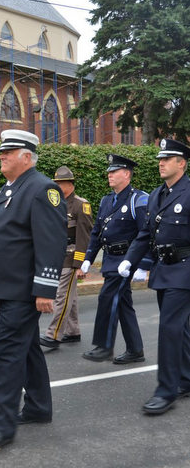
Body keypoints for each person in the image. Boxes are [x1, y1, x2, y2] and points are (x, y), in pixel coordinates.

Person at [0, 129, 67, 448]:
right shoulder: (11, 189)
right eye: (2, 151)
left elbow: (51, 243)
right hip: (8, 287)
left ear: (27, 157)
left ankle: (3, 423)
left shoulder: (42, 189)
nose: (1, 155)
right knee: (27, 348)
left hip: (24, 290)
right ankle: (38, 407)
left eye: (8, 151)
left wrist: (45, 290)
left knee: (8, 352)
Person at [118, 139, 190, 414]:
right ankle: (185, 378)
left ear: (181, 163)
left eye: (167, 159)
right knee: (180, 328)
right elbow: (146, 234)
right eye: (160, 158)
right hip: (163, 271)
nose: (161, 162)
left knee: (169, 328)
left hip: (184, 271)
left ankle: (166, 391)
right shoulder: (158, 194)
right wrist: (129, 261)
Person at [81, 154, 152, 363]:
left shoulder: (138, 199)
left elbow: (146, 233)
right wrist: (88, 258)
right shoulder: (106, 200)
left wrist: (143, 264)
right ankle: (135, 350)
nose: (109, 175)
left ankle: (104, 346)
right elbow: (97, 231)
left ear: (127, 174)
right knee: (122, 304)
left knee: (107, 298)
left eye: (114, 171)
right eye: (109, 172)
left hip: (126, 261)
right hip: (110, 259)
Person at [40, 166, 93, 349]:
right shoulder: (56, 203)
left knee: (61, 296)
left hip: (71, 258)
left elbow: (84, 237)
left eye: (60, 183)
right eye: (56, 183)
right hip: (58, 256)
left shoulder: (80, 205)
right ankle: (72, 330)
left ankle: (53, 334)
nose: (57, 186)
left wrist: (80, 265)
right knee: (71, 296)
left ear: (69, 184)